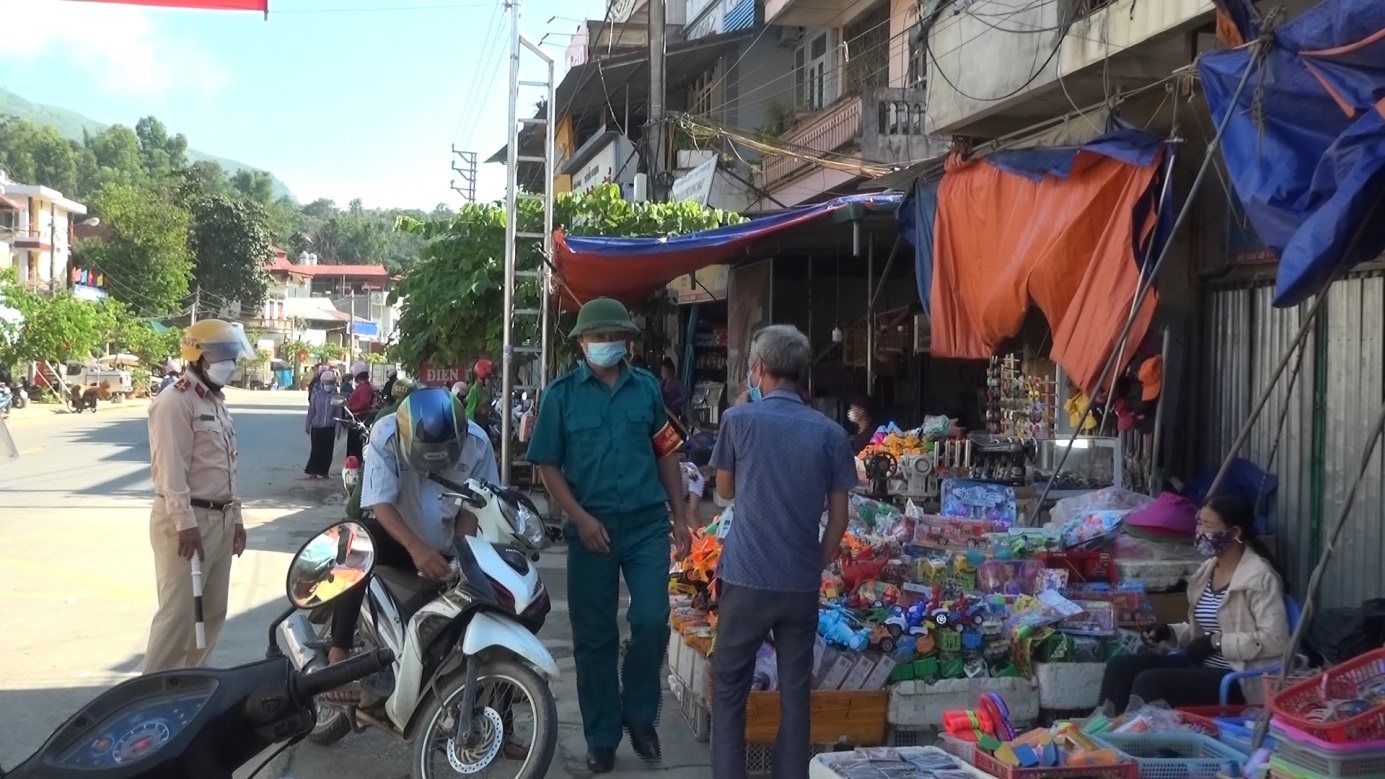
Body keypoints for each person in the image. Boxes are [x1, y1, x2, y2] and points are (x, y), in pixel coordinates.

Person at [526, 297, 693, 774]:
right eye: (598, 337)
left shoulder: (646, 390)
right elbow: (547, 466)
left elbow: (666, 455)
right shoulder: (560, 395)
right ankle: (602, 736)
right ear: (581, 343)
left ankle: (640, 714)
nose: (607, 344)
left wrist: (680, 517)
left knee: (652, 619)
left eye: (615, 337)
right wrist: (579, 518)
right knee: (594, 637)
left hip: (644, 525)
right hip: (591, 529)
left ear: (627, 342)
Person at [709, 325, 859, 779]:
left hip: (746, 577)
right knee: (796, 695)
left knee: (730, 688)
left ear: (758, 370)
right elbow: (840, 520)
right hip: (799, 580)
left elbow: (724, 492)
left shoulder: (739, 421)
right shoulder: (832, 434)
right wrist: (815, 562)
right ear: (801, 373)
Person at [325, 387, 500, 701]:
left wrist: (461, 557)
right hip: (398, 538)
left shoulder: (478, 442)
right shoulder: (387, 432)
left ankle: (502, 718)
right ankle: (338, 656)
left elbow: (473, 509)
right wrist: (416, 548)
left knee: (497, 608)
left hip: (448, 547)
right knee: (353, 538)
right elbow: (380, 503)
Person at [1098, 494, 1290, 713]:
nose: (1200, 531)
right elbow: (1207, 630)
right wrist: (1170, 631)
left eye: (1208, 525)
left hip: (1238, 677)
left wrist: (1217, 643)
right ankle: (1103, 733)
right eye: (1199, 522)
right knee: (1121, 667)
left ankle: (1139, 742)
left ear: (1235, 533)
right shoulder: (1206, 571)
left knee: (1150, 682)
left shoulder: (1259, 578)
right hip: (1201, 666)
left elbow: (1276, 640)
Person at [142, 319, 254, 672]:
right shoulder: (175, 402)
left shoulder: (217, 402)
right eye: (221, 355)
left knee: (211, 613)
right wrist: (185, 524)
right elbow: (170, 470)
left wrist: (235, 519)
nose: (230, 363)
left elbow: (226, 469)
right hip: (188, 520)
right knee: (179, 618)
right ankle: (152, 695)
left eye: (232, 355)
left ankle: (189, 690)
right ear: (196, 355)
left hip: (218, 519)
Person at [304, 369, 340, 480]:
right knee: (316, 450)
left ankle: (325, 472)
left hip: (329, 427)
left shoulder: (336, 397)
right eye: (326, 383)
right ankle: (313, 471)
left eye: (330, 383)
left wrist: (338, 429)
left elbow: (339, 414)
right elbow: (311, 411)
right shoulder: (316, 395)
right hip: (317, 426)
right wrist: (307, 424)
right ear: (322, 383)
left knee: (328, 451)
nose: (328, 385)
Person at [345, 360, 374, 460]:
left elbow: (364, 403)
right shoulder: (363, 387)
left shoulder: (364, 388)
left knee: (355, 449)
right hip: (356, 420)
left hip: (358, 419)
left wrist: (351, 409)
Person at [466, 358, 494, 424]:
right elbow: (470, 412)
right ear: (482, 376)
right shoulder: (475, 390)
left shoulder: (482, 390)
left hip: (483, 421)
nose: (490, 380)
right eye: (488, 377)